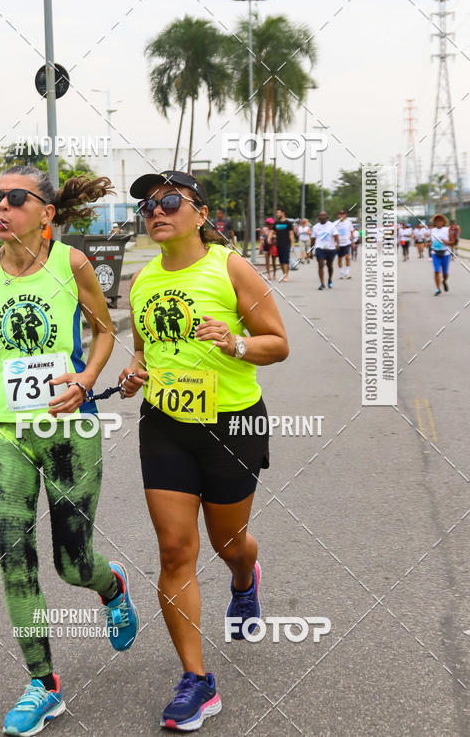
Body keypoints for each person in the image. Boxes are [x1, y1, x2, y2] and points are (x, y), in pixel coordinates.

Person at [0, 166, 139, 736]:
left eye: (15, 198)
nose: (1, 208)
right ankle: (44, 683)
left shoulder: (71, 263)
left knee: (72, 563)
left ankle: (111, 585)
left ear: (46, 213)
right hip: (4, 430)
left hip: (68, 431)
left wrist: (86, 378)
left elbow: (104, 330)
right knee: (14, 556)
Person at [119, 170, 288, 731]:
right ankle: (196, 680)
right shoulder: (142, 281)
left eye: (170, 200)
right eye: (148, 205)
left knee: (229, 543)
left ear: (201, 213)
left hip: (232, 424)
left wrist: (235, 343)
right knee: (174, 551)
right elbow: (145, 351)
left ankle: (245, 578)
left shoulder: (231, 267)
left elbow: (277, 344)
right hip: (165, 425)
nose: (157, 211)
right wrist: (135, 373)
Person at [311, 211, 338, 290]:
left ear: (327, 217)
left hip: (330, 248)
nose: (322, 217)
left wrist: (337, 244)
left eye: (324, 216)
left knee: (329, 265)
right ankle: (322, 283)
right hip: (319, 248)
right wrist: (311, 251)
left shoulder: (331, 225)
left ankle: (330, 279)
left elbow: (336, 236)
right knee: (320, 264)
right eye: (321, 216)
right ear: (318, 217)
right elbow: (313, 239)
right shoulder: (315, 227)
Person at [429, 213, 454, 295]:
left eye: (440, 220)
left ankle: (444, 281)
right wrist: (428, 244)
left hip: (445, 254)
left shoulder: (447, 229)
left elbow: (453, 241)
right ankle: (437, 289)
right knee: (436, 270)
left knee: (445, 273)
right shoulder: (432, 230)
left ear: (444, 222)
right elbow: (431, 241)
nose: (439, 222)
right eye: (437, 220)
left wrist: (446, 242)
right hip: (435, 253)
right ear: (434, 222)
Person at [270, 208, 295, 282]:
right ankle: (284, 274)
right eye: (277, 213)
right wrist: (269, 238)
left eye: (278, 213)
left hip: (286, 244)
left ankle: (286, 275)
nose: (277, 214)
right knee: (281, 261)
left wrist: (293, 244)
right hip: (278, 244)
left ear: (283, 213)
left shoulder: (288, 223)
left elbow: (291, 234)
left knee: (285, 260)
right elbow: (272, 231)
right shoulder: (276, 223)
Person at [334, 210, 354, 278]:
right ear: (338, 215)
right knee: (339, 259)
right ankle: (341, 273)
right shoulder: (335, 223)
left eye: (343, 214)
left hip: (347, 243)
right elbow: (333, 234)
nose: (341, 215)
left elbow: (351, 232)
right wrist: (334, 243)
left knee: (347, 257)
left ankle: (347, 273)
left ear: (345, 215)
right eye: (340, 214)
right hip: (339, 244)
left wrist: (353, 242)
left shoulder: (349, 223)